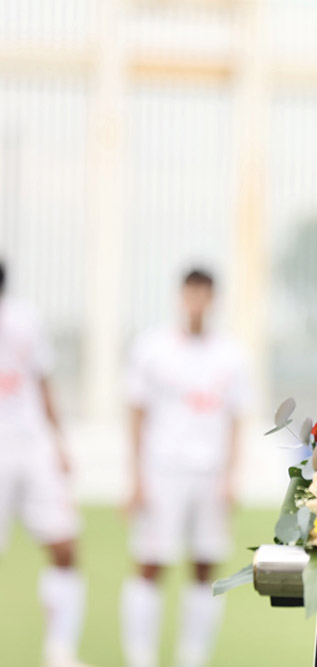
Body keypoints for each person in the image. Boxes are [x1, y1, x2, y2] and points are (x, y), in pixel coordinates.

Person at [120, 269, 250, 667]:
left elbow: (235, 419)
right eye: (191, 293)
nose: (197, 302)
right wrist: (136, 478)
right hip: (163, 471)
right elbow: (137, 413)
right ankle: (140, 656)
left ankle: (193, 657)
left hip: (209, 475)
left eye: (204, 294)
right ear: (181, 296)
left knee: (205, 563)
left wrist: (230, 477)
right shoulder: (152, 348)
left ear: (213, 299)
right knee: (151, 562)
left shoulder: (231, 354)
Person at [0, 260, 88, 667]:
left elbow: (42, 382)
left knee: (64, 546)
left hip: (32, 447)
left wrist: (59, 443)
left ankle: (60, 651)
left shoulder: (24, 318)